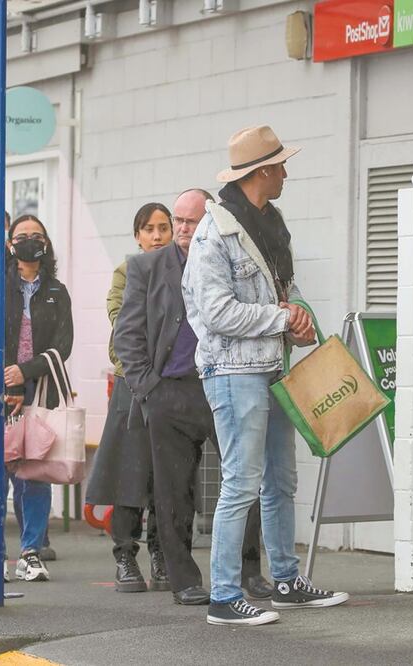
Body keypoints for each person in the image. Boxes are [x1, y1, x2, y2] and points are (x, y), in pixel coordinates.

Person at [182, 126, 348, 626]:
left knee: (280, 478)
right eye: (280, 166)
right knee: (241, 482)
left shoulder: (267, 223)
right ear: (261, 172)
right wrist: (282, 318)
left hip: (271, 367)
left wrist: (296, 315)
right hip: (232, 371)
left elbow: (285, 288)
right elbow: (215, 312)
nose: (286, 173)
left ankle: (287, 581)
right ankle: (225, 596)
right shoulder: (216, 233)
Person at [116, 189, 272, 606]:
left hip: (223, 381)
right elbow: (127, 334)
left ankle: (250, 570)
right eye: (178, 221)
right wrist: (148, 388)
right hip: (170, 391)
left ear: (209, 221)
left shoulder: (227, 258)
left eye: (192, 220)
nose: (184, 229)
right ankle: (184, 578)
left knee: (243, 481)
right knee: (173, 492)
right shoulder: (145, 267)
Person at [0, 214, 73, 582]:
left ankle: (30, 552)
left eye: (37, 235)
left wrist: (25, 374)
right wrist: (6, 384)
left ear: (46, 244)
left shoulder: (57, 291)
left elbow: (63, 345)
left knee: (33, 474)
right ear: (10, 245)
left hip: (39, 392)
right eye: (22, 235)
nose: (30, 240)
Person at [87, 202, 172, 593]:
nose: (157, 235)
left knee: (166, 477)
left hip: (173, 386)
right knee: (128, 473)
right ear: (137, 235)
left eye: (163, 228)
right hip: (133, 383)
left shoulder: (186, 271)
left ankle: (161, 554)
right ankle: (125, 555)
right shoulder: (126, 273)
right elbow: (123, 324)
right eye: (149, 228)